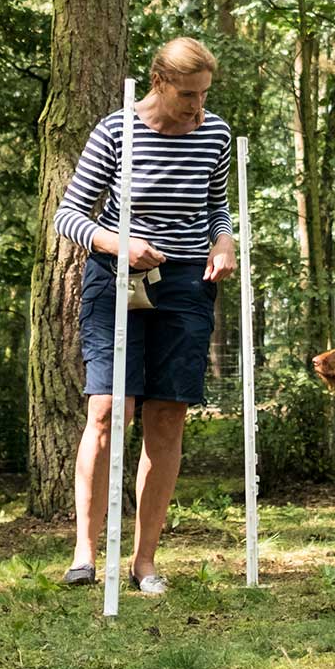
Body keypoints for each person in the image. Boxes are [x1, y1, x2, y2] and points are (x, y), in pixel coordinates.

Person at [53, 37, 236, 594]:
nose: (196, 106)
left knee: (167, 416)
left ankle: (145, 561)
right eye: (187, 94)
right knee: (108, 410)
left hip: (186, 283)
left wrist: (224, 242)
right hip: (117, 276)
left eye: (204, 94)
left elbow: (216, 206)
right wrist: (118, 244)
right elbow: (68, 216)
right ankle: (86, 552)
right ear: (159, 82)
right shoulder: (115, 131)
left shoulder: (215, 134)